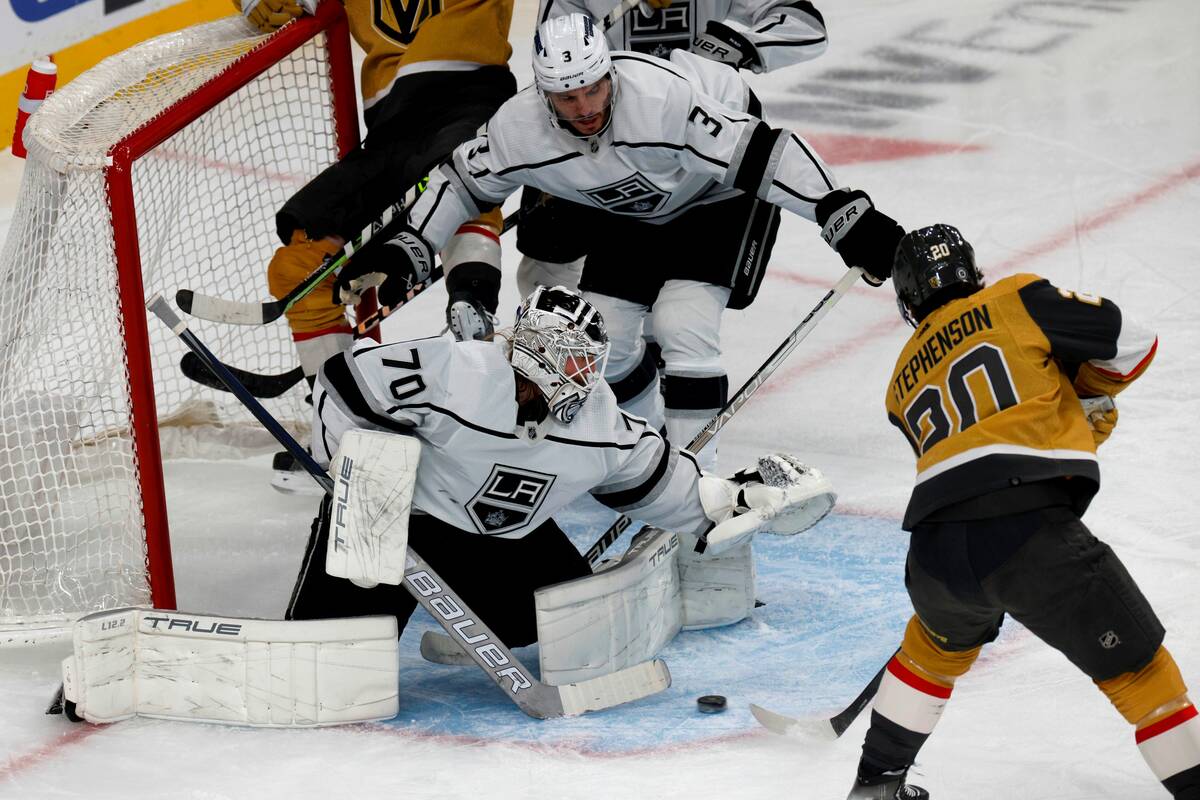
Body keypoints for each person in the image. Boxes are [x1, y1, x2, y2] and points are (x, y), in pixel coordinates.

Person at [332, 12, 903, 470]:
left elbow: (765, 154)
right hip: (631, 205)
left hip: (717, 199)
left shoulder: (660, 99)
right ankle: (648, 457)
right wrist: (404, 247)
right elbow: (458, 181)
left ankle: (698, 481)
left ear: (609, 72)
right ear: (543, 95)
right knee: (601, 343)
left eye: (593, 89)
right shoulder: (518, 127)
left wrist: (843, 215)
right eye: (567, 98)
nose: (585, 108)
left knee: (683, 326)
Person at [844, 224, 1196, 799]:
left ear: (908, 302)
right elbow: (1134, 343)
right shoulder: (1014, 299)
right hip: (1027, 536)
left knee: (931, 653)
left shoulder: (898, 383)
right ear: (972, 274)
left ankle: (875, 783)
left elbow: (975, 447)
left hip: (934, 555)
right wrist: (1078, 393)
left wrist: (1056, 416)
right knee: (1143, 676)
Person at [286, 285, 833, 650]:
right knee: (334, 648)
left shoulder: (597, 420)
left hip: (502, 538)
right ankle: (346, 613)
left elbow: (657, 479)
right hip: (402, 516)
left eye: (588, 362)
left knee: (555, 626)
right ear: (532, 353)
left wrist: (733, 501)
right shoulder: (455, 371)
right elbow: (344, 378)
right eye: (571, 359)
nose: (583, 375)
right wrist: (358, 472)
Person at [234, 0, 517, 489]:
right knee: (297, 268)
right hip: (392, 132)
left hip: (472, 100)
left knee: (464, 188)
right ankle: (344, 431)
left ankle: (488, 401)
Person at [516, 0, 830, 298]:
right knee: (546, 248)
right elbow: (553, 67)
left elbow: (804, 24)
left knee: (657, 295)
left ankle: (649, 346)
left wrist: (739, 44)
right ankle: (547, 335)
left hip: (689, 141)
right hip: (597, 134)